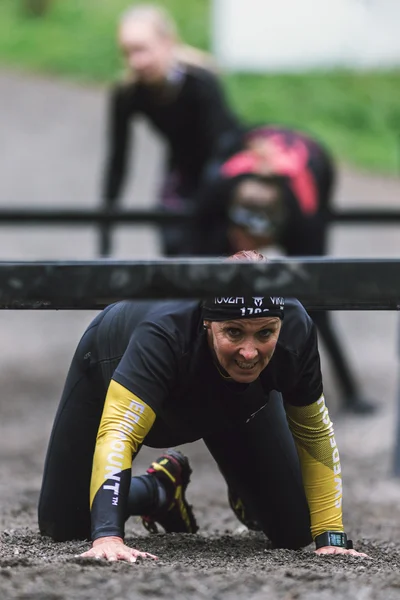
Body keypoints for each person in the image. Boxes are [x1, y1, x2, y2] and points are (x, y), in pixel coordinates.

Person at [38, 250, 368, 562]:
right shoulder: (164, 333)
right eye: (234, 332)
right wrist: (109, 538)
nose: (249, 352)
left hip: (235, 403)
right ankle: (157, 491)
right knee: (66, 525)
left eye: (265, 333)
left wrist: (332, 538)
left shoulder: (295, 329)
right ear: (209, 323)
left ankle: (248, 489)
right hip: (112, 371)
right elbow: (119, 434)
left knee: (295, 529)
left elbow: (314, 435)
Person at [195, 125, 376, 415]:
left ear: (276, 234)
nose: (245, 247)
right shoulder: (218, 189)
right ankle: (200, 376)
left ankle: (351, 391)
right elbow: (194, 268)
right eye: (240, 237)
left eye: (255, 243)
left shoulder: (304, 216)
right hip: (255, 139)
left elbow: (317, 297)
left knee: (315, 303)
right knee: (203, 283)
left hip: (314, 161)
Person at [100, 3, 241, 256]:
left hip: (226, 165)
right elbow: (117, 160)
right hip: (181, 167)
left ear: (167, 42)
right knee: (172, 247)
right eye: (127, 52)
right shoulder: (128, 94)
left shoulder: (200, 82)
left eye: (142, 49)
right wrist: (106, 225)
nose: (136, 61)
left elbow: (221, 145)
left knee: (212, 248)